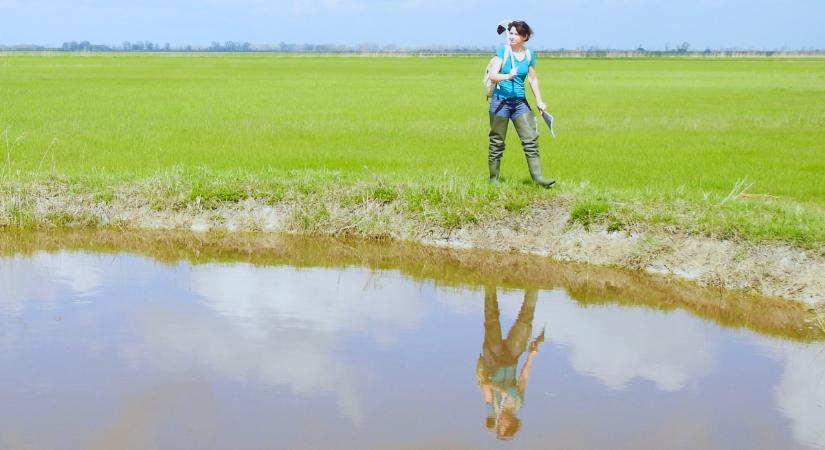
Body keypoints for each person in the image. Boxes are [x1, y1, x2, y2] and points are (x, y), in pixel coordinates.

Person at [487, 20, 555, 188]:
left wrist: (539, 101)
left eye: (516, 34)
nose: (512, 36)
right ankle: (494, 178)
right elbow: (492, 76)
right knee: (497, 141)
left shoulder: (529, 55)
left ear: (525, 37)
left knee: (530, 140)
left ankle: (538, 178)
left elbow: (532, 79)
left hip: (520, 104)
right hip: (500, 102)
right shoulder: (502, 52)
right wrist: (507, 76)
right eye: (510, 33)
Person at [476, 285, 545, 440]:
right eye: (503, 427)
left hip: (493, 357)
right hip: (512, 358)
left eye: (499, 427)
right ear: (512, 423)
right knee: (526, 322)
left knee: (492, 319)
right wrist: (532, 355)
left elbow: (484, 386)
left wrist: (499, 389)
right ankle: (533, 284)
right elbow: (523, 379)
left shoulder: (492, 410)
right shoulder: (518, 403)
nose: (500, 424)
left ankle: (489, 283)